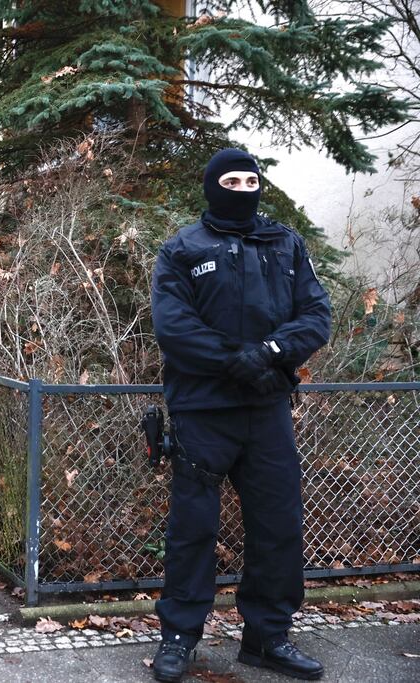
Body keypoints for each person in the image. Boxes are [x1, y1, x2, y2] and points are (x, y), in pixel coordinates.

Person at [149, 148, 331, 682]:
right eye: (231, 181)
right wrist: (238, 361)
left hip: (267, 410)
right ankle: (179, 637)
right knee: (193, 529)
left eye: (251, 181)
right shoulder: (183, 249)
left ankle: (267, 638)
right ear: (212, 186)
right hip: (203, 410)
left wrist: (270, 354)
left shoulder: (286, 243)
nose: (242, 189)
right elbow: (174, 327)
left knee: (279, 525)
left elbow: (316, 314)